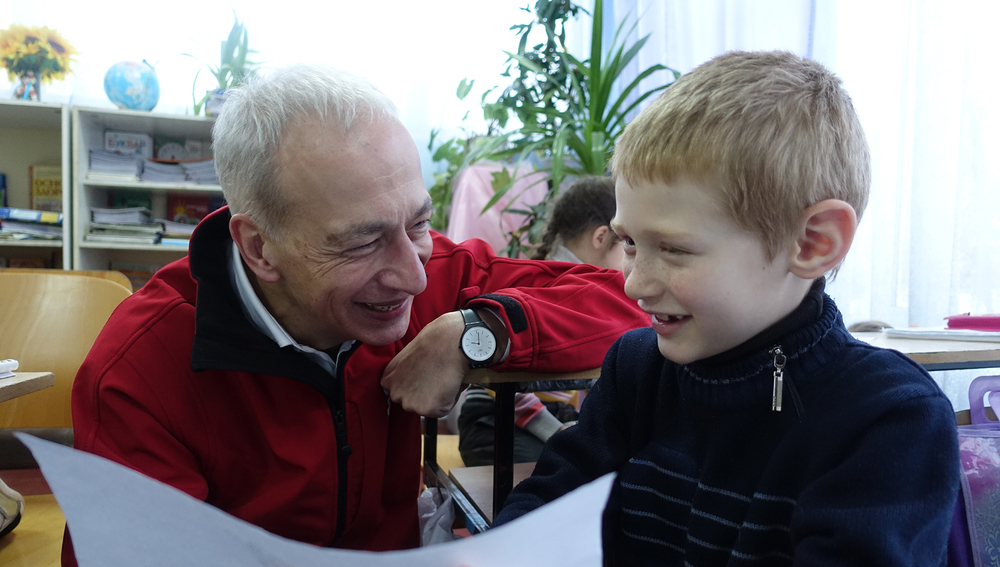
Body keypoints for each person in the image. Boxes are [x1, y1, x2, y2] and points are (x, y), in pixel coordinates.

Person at [62, 65, 648, 563]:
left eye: (418, 222)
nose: (415, 276)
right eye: (362, 241)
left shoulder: (426, 275)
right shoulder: (140, 373)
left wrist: (480, 331)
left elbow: (626, 301)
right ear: (259, 247)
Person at [494, 51, 960, 566]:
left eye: (673, 249)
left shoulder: (889, 421)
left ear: (811, 243)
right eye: (629, 243)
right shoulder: (637, 369)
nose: (635, 285)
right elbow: (543, 515)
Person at [457, 176, 622, 466]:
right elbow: (499, 383)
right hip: (496, 419)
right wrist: (556, 432)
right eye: (629, 243)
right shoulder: (547, 286)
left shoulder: (580, 288)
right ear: (600, 237)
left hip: (544, 417)